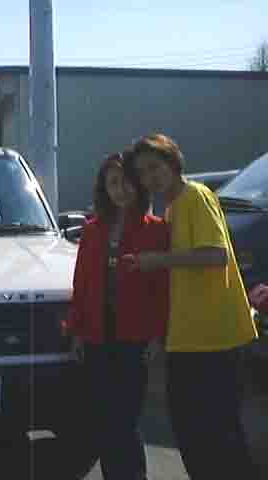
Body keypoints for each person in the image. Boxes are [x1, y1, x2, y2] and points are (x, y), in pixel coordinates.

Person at [124, 133, 259, 479]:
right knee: (194, 435)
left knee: (219, 436)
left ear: (172, 163)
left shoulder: (196, 196)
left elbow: (216, 255)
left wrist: (158, 260)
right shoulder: (172, 208)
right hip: (187, 338)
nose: (150, 178)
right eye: (142, 173)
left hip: (216, 338)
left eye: (155, 167)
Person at [67, 151, 168, 480]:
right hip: (97, 337)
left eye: (126, 182)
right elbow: (81, 283)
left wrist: (157, 335)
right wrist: (77, 331)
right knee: (103, 419)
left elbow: (162, 288)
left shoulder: (156, 230)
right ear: (104, 189)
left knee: (125, 418)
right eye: (112, 183)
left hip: (134, 338)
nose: (120, 190)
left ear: (138, 185)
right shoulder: (93, 230)